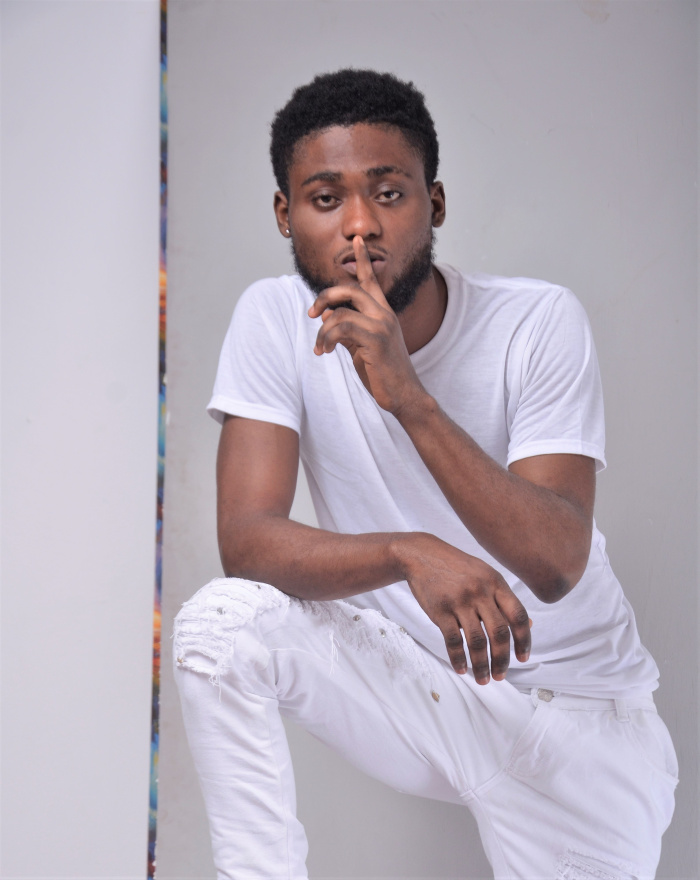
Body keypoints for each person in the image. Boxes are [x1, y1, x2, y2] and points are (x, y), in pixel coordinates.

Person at [174, 69, 677, 879]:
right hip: (427, 693)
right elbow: (248, 540)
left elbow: (555, 562)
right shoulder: (271, 319)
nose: (360, 226)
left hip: (578, 726)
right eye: (326, 199)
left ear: (434, 204)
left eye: (389, 194)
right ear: (285, 214)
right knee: (221, 624)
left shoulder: (536, 321)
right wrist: (408, 552)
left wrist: (407, 395)